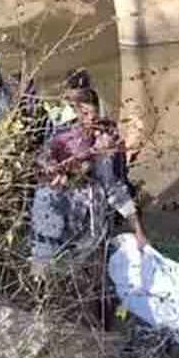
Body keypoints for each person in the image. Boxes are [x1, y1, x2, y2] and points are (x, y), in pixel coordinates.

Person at [30, 87, 147, 273]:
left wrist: (138, 231)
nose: (91, 118)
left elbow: (113, 188)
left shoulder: (101, 143)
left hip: (92, 229)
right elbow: (42, 247)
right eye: (84, 113)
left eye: (93, 112)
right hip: (61, 230)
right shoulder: (50, 190)